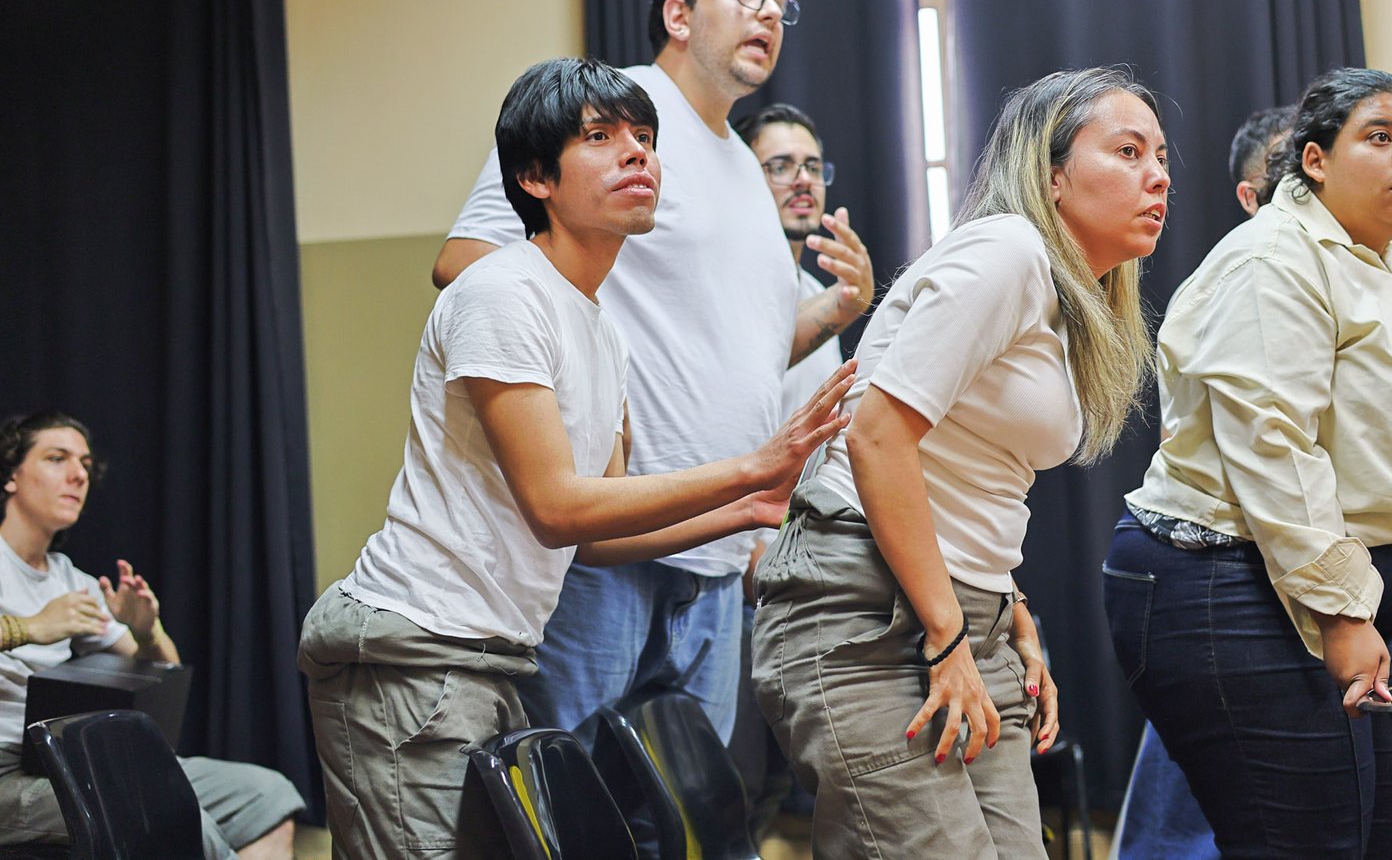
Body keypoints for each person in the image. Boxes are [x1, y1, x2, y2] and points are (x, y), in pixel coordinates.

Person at [299, 57, 853, 858]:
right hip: (408, 650)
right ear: (534, 178)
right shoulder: (501, 293)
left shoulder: (598, 328)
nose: (638, 155)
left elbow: (589, 537)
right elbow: (556, 505)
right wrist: (747, 468)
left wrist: (743, 511)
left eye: (644, 138)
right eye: (601, 138)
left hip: (490, 658)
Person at [428, 0, 875, 747]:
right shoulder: (612, 120)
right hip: (611, 546)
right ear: (678, 15)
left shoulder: (746, 168)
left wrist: (836, 313)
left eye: (779, 2)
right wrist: (593, 392)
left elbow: (746, 350)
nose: (767, 13)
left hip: (713, 550)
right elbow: (466, 262)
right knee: (578, 803)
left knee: (684, 820)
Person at [754, 67, 1171, 857]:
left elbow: (962, 469)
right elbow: (875, 436)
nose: (1158, 175)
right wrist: (950, 635)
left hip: (957, 612)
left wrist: (999, 603)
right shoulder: (1006, 253)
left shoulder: (1058, 293)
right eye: (1127, 151)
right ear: (1052, 177)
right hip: (863, 610)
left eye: (1160, 157)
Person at [1103, 68, 1392, 859]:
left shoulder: (1382, 269)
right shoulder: (1274, 258)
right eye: (1381, 137)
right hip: (1231, 580)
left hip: (1347, 584)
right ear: (1313, 161)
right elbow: (1272, 444)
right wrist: (1341, 609)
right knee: (1311, 843)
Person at [1111, 102, 1293, 860]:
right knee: (1202, 824)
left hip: (1289, 572)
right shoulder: (1249, 274)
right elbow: (1271, 459)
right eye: (1293, 167)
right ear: (1251, 197)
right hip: (1225, 569)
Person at [0, 412, 303, 859]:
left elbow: (165, 672)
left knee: (266, 795)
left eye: (84, 463)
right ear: (11, 475)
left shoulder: (73, 582)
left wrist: (147, 632)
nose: (78, 474)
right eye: (56, 458)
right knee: (161, 810)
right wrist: (31, 628)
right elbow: (38, 626)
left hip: (62, 764)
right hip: (7, 776)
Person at [726, 102, 844, 838]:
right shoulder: (728, 295)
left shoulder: (810, 295)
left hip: (797, 577)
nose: (802, 181)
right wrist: (750, 557)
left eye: (811, 166)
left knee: (769, 794)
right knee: (723, 794)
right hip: (742, 574)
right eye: (779, 166)